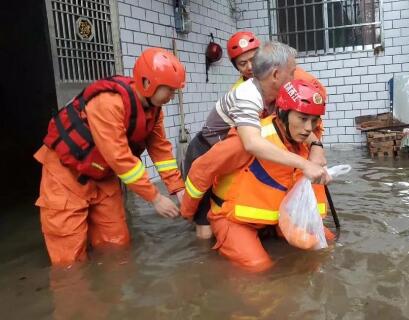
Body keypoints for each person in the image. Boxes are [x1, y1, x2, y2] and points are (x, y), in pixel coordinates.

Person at [34, 48, 186, 266]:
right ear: (147, 82)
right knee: (69, 260)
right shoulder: (109, 103)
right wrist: (155, 198)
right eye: (170, 90)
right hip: (66, 174)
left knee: (117, 245)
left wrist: (177, 189)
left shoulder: (154, 111)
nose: (172, 96)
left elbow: (161, 150)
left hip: (103, 177)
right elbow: (120, 158)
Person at [180, 79, 335, 272]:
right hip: (234, 219)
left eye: (314, 120)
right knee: (257, 267)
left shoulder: (305, 143)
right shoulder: (248, 141)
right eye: (303, 119)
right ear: (283, 114)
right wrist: (187, 211)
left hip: (275, 218)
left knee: (324, 243)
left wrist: (317, 148)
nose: (309, 128)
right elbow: (201, 170)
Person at [182, 41, 330, 239]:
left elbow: (295, 125)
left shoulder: (280, 93)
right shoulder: (247, 95)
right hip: (207, 152)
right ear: (276, 75)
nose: (295, 78)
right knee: (205, 230)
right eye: (292, 72)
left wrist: (316, 147)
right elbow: (252, 143)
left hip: (235, 153)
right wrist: (304, 164)